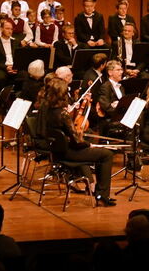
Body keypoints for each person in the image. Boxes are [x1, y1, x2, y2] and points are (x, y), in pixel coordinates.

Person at [36, 76, 116, 205]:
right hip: (69, 152)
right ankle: (102, 196)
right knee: (106, 155)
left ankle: (98, 192)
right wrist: (89, 144)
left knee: (101, 153)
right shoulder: (63, 114)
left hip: (55, 151)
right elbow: (77, 142)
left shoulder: (46, 109)